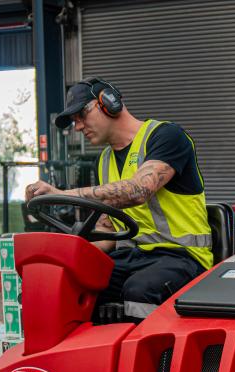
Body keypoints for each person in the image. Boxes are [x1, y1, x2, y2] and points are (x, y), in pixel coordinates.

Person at [25, 77, 214, 319]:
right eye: (74, 121)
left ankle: (150, 356)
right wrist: (67, 255)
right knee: (72, 280)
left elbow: (138, 190)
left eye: (82, 115)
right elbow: (109, 231)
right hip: (132, 256)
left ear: (109, 102)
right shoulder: (104, 161)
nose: (78, 127)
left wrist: (62, 194)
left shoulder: (166, 137)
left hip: (181, 257)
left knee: (140, 289)